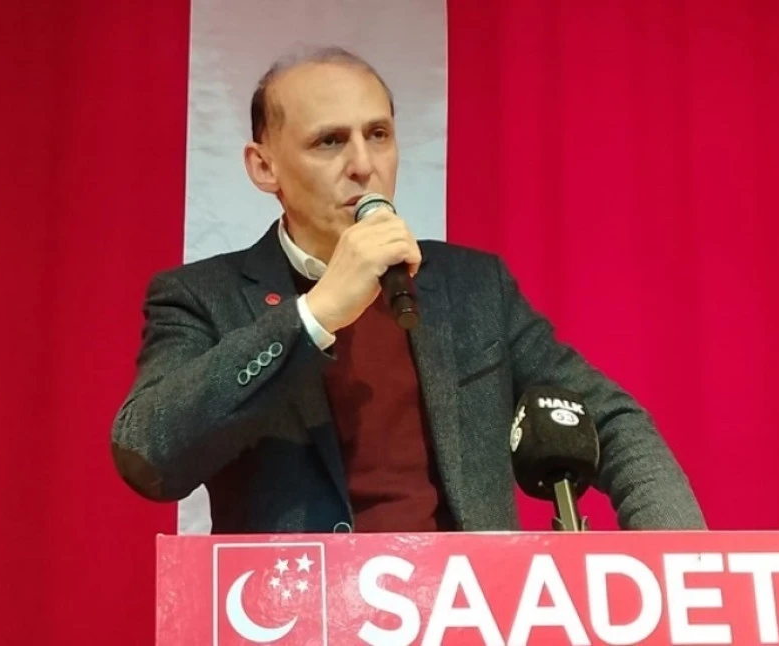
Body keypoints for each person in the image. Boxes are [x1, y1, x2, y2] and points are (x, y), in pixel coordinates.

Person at [110, 46, 704, 534]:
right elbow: (148, 454)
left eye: (378, 134)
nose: (363, 164)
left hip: (464, 609)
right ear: (264, 167)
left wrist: (678, 567)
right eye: (329, 142)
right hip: (300, 613)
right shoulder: (201, 297)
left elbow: (612, 421)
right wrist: (314, 315)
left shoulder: (473, 287)